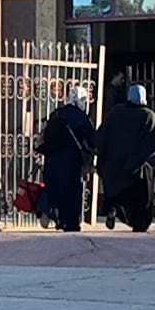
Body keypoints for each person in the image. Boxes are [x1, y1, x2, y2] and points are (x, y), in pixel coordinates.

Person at [94, 83, 155, 232]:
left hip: (115, 164)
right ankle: (139, 224)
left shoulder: (116, 112)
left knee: (118, 194)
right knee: (140, 198)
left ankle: (114, 209)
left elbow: (101, 136)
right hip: (137, 167)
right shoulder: (148, 115)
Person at [35, 85, 96, 231]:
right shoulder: (81, 117)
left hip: (53, 159)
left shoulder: (57, 113)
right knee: (71, 191)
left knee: (54, 188)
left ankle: (53, 215)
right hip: (71, 161)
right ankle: (70, 222)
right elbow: (90, 139)